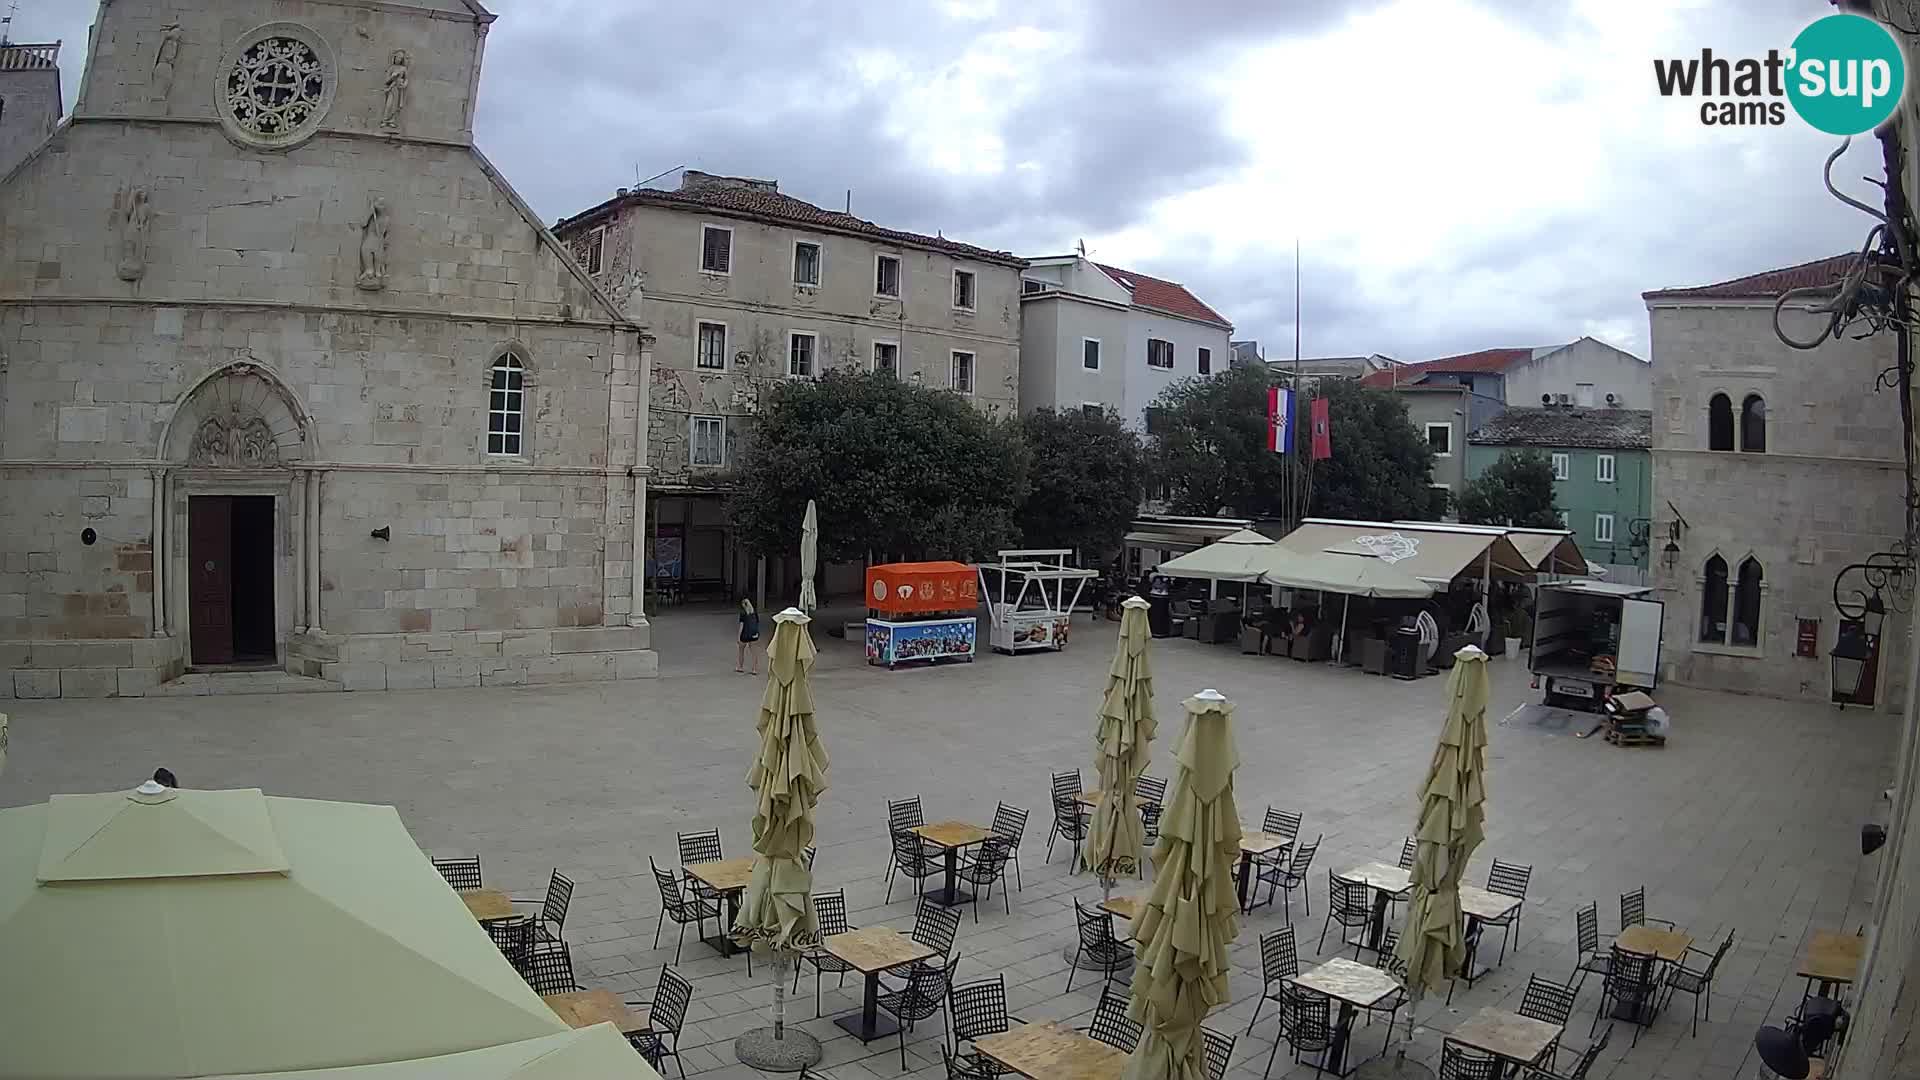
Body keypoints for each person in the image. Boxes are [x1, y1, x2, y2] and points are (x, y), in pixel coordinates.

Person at [735, 598, 761, 674]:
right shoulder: (754, 613)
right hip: (753, 634)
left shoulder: (743, 613)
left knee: (741, 651)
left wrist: (738, 637)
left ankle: (740, 667)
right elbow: (757, 623)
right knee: (754, 652)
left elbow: (741, 626)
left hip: (744, 635)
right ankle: (754, 669)